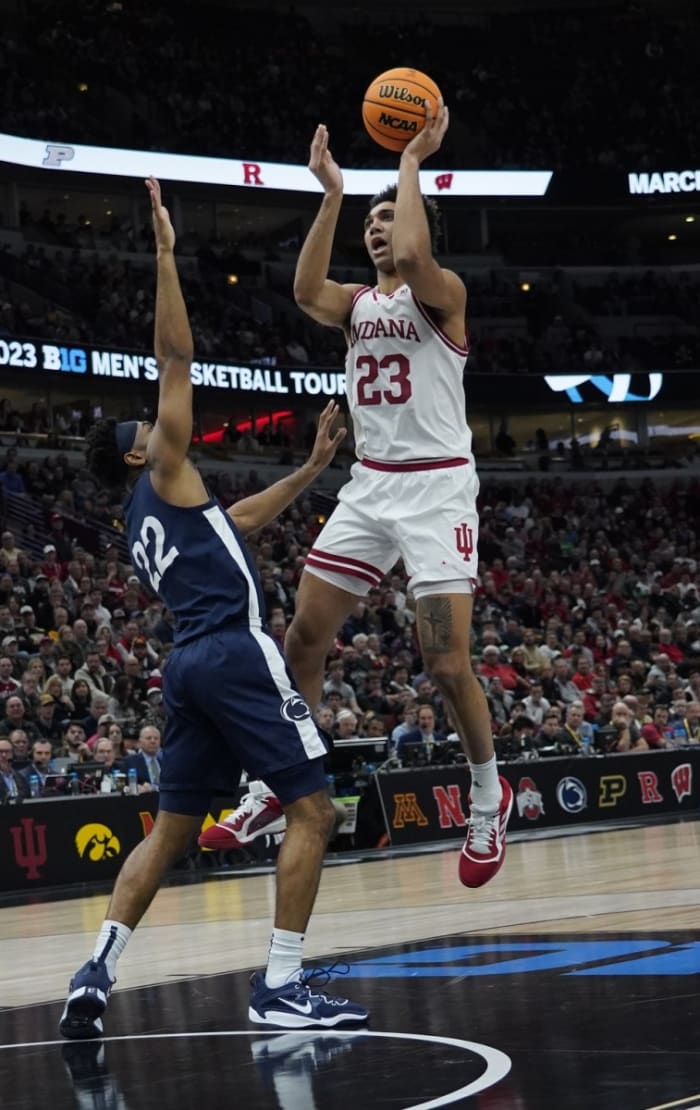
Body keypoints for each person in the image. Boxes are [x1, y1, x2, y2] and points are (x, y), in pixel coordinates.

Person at [59, 177, 366, 1042]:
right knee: (314, 808)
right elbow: (176, 362)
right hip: (232, 651)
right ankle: (281, 984)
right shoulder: (160, 472)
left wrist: (310, 470)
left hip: (186, 670)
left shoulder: (151, 517)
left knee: (171, 831)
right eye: (140, 432)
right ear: (133, 460)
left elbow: (234, 525)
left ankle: (97, 968)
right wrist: (162, 253)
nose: (152, 429)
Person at [285, 105, 512, 890]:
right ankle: (284, 781)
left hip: (438, 489)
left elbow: (416, 250)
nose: (378, 231)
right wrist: (333, 195)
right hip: (372, 487)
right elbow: (305, 288)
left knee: (447, 664)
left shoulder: (441, 293)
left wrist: (412, 158)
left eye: (389, 219)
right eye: (371, 223)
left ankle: (488, 797)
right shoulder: (356, 306)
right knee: (302, 640)